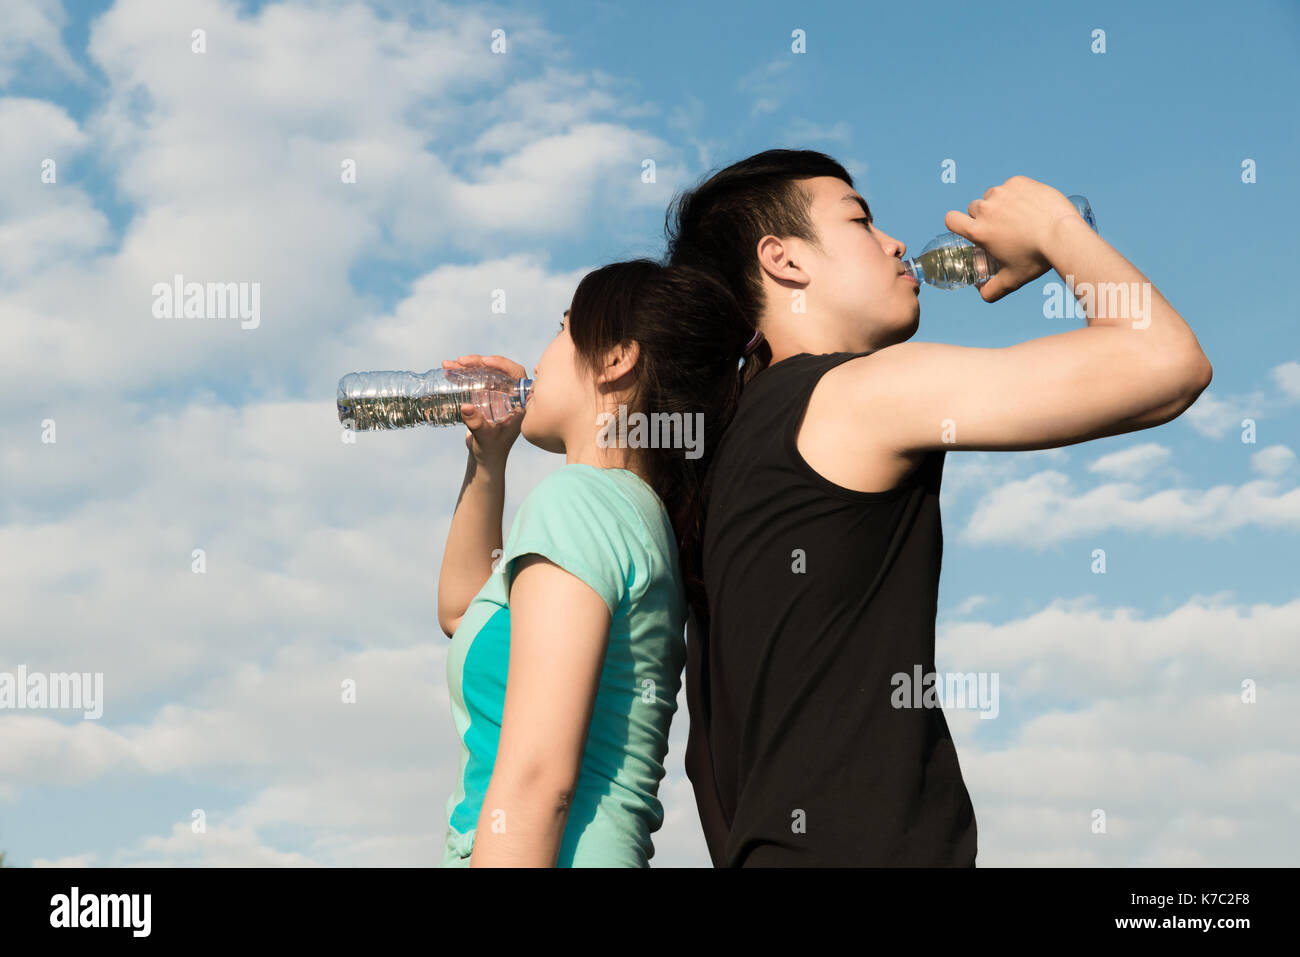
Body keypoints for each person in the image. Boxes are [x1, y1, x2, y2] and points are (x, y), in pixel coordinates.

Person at [664, 149, 1213, 866]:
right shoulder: (856, 394)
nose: (895, 242)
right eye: (860, 221)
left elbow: (712, 756)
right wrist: (1054, 224)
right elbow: (1167, 364)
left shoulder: (721, 455)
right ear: (784, 260)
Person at [436, 259, 757, 866]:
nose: (541, 357)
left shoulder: (577, 502)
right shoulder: (631, 515)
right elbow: (465, 611)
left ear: (615, 360)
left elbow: (538, 780)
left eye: (562, 328)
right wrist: (488, 459)